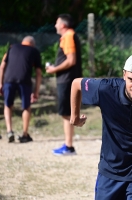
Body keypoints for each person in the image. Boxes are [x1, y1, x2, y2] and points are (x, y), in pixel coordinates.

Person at [69, 16, 132, 200]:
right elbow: (76, 84)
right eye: (131, 79)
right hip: (110, 171)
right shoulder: (106, 89)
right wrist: (74, 117)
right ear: (124, 75)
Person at [46, 13, 82, 155]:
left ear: (63, 25)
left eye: (56, 23)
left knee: (67, 113)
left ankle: (69, 146)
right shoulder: (70, 36)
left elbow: (71, 60)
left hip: (67, 80)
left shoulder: (68, 36)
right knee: (66, 113)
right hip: (68, 80)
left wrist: (54, 69)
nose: (55, 26)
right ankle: (68, 144)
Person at [0, 36, 42, 143]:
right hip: (24, 81)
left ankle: (9, 131)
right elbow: (39, 73)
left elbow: (2, 66)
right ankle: (25, 134)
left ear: (23, 42)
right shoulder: (34, 51)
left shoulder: (11, 48)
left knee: (8, 105)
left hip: (9, 80)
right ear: (32, 44)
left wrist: (0, 83)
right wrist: (36, 91)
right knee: (26, 107)